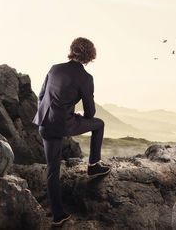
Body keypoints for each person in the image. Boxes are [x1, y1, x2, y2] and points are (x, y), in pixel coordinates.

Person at [32, 37, 111, 227]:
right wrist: (79, 114)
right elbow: (91, 112)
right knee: (99, 124)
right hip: (64, 124)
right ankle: (93, 165)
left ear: (72, 50)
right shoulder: (85, 78)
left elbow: (41, 96)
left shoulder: (54, 68)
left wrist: (49, 115)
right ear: (90, 56)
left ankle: (58, 215)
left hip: (44, 123)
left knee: (52, 169)